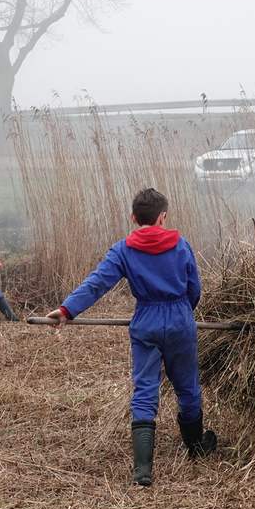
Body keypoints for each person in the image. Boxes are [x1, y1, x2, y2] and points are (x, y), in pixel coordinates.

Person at [46, 188, 217, 487]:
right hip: (179, 318)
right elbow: (195, 288)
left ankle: (143, 471)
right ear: (163, 216)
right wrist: (182, 314)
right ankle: (196, 447)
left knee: (145, 389)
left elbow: (97, 284)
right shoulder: (181, 245)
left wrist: (66, 310)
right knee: (187, 386)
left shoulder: (123, 250)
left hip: (146, 321)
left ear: (133, 217)